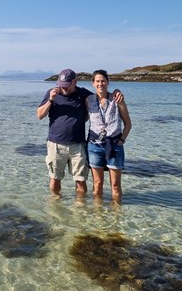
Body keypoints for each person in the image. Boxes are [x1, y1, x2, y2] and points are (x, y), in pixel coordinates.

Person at [37, 69, 122, 199]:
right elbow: (39, 115)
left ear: (75, 82)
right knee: (55, 178)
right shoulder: (51, 93)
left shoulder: (83, 94)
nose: (63, 87)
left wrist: (117, 92)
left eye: (66, 84)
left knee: (81, 180)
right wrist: (50, 100)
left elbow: (101, 95)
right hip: (55, 145)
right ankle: (55, 204)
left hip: (78, 145)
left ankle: (80, 209)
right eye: (61, 84)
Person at [86, 69, 132, 203]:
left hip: (114, 145)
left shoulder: (117, 100)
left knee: (115, 185)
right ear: (93, 83)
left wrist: (122, 140)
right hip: (94, 146)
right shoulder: (88, 100)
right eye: (98, 81)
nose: (101, 84)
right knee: (97, 184)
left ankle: (116, 216)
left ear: (108, 82)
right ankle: (98, 214)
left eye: (103, 81)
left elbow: (128, 124)